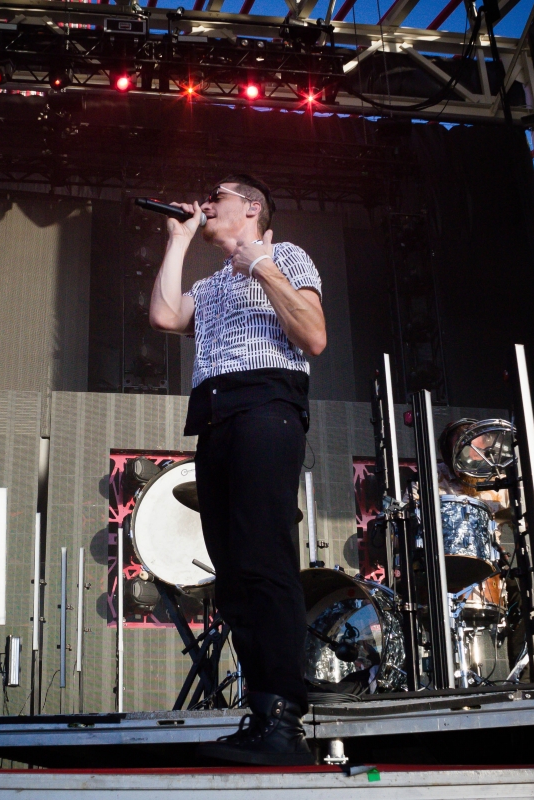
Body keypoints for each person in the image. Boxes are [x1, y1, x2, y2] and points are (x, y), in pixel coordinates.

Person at [149, 175, 327, 766]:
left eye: (216, 196)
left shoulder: (286, 256)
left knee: (263, 559)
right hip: (215, 416)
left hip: (267, 407)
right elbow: (165, 315)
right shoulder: (210, 284)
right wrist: (178, 239)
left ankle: (285, 718)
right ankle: (262, 711)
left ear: (251, 207)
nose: (205, 203)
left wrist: (262, 266)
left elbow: (314, 336)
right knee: (232, 572)